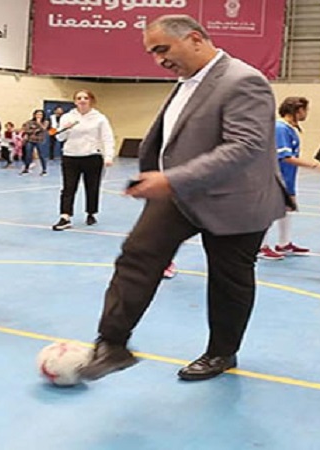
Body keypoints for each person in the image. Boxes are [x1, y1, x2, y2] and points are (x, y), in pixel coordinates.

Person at [78, 15, 286, 382]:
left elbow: (245, 147)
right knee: (138, 256)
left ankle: (221, 352)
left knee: (229, 279)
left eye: (162, 49)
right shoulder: (186, 82)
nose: (158, 59)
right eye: (152, 52)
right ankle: (111, 344)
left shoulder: (243, 80)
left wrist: (172, 178)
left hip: (236, 197)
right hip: (180, 193)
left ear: (194, 39)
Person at [258, 96, 319, 260]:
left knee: (287, 209)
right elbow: (285, 157)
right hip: (275, 177)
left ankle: (284, 244)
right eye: (305, 110)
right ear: (298, 110)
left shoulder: (289, 129)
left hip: (288, 177)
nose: (306, 113)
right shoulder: (280, 128)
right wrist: (315, 166)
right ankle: (261, 246)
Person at [52, 89, 115, 229]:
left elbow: (107, 137)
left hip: (92, 156)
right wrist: (65, 128)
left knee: (92, 187)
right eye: (79, 98)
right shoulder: (67, 117)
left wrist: (109, 156)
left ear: (91, 100)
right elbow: (59, 137)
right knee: (68, 188)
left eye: (85, 98)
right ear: (75, 101)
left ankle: (91, 213)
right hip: (70, 156)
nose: (82, 100)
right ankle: (65, 216)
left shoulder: (100, 118)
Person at [20, 110, 49, 176]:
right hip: (30, 140)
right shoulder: (29, 122)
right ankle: (26, 169)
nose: (39, 116)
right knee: (28, 155)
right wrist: (35, 130)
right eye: (37, 114)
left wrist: (39, 123)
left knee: (42, 155)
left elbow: (43, 129)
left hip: (40, 140)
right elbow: (26, 130)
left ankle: (44, 170)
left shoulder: (45, 122)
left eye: (40, 115)